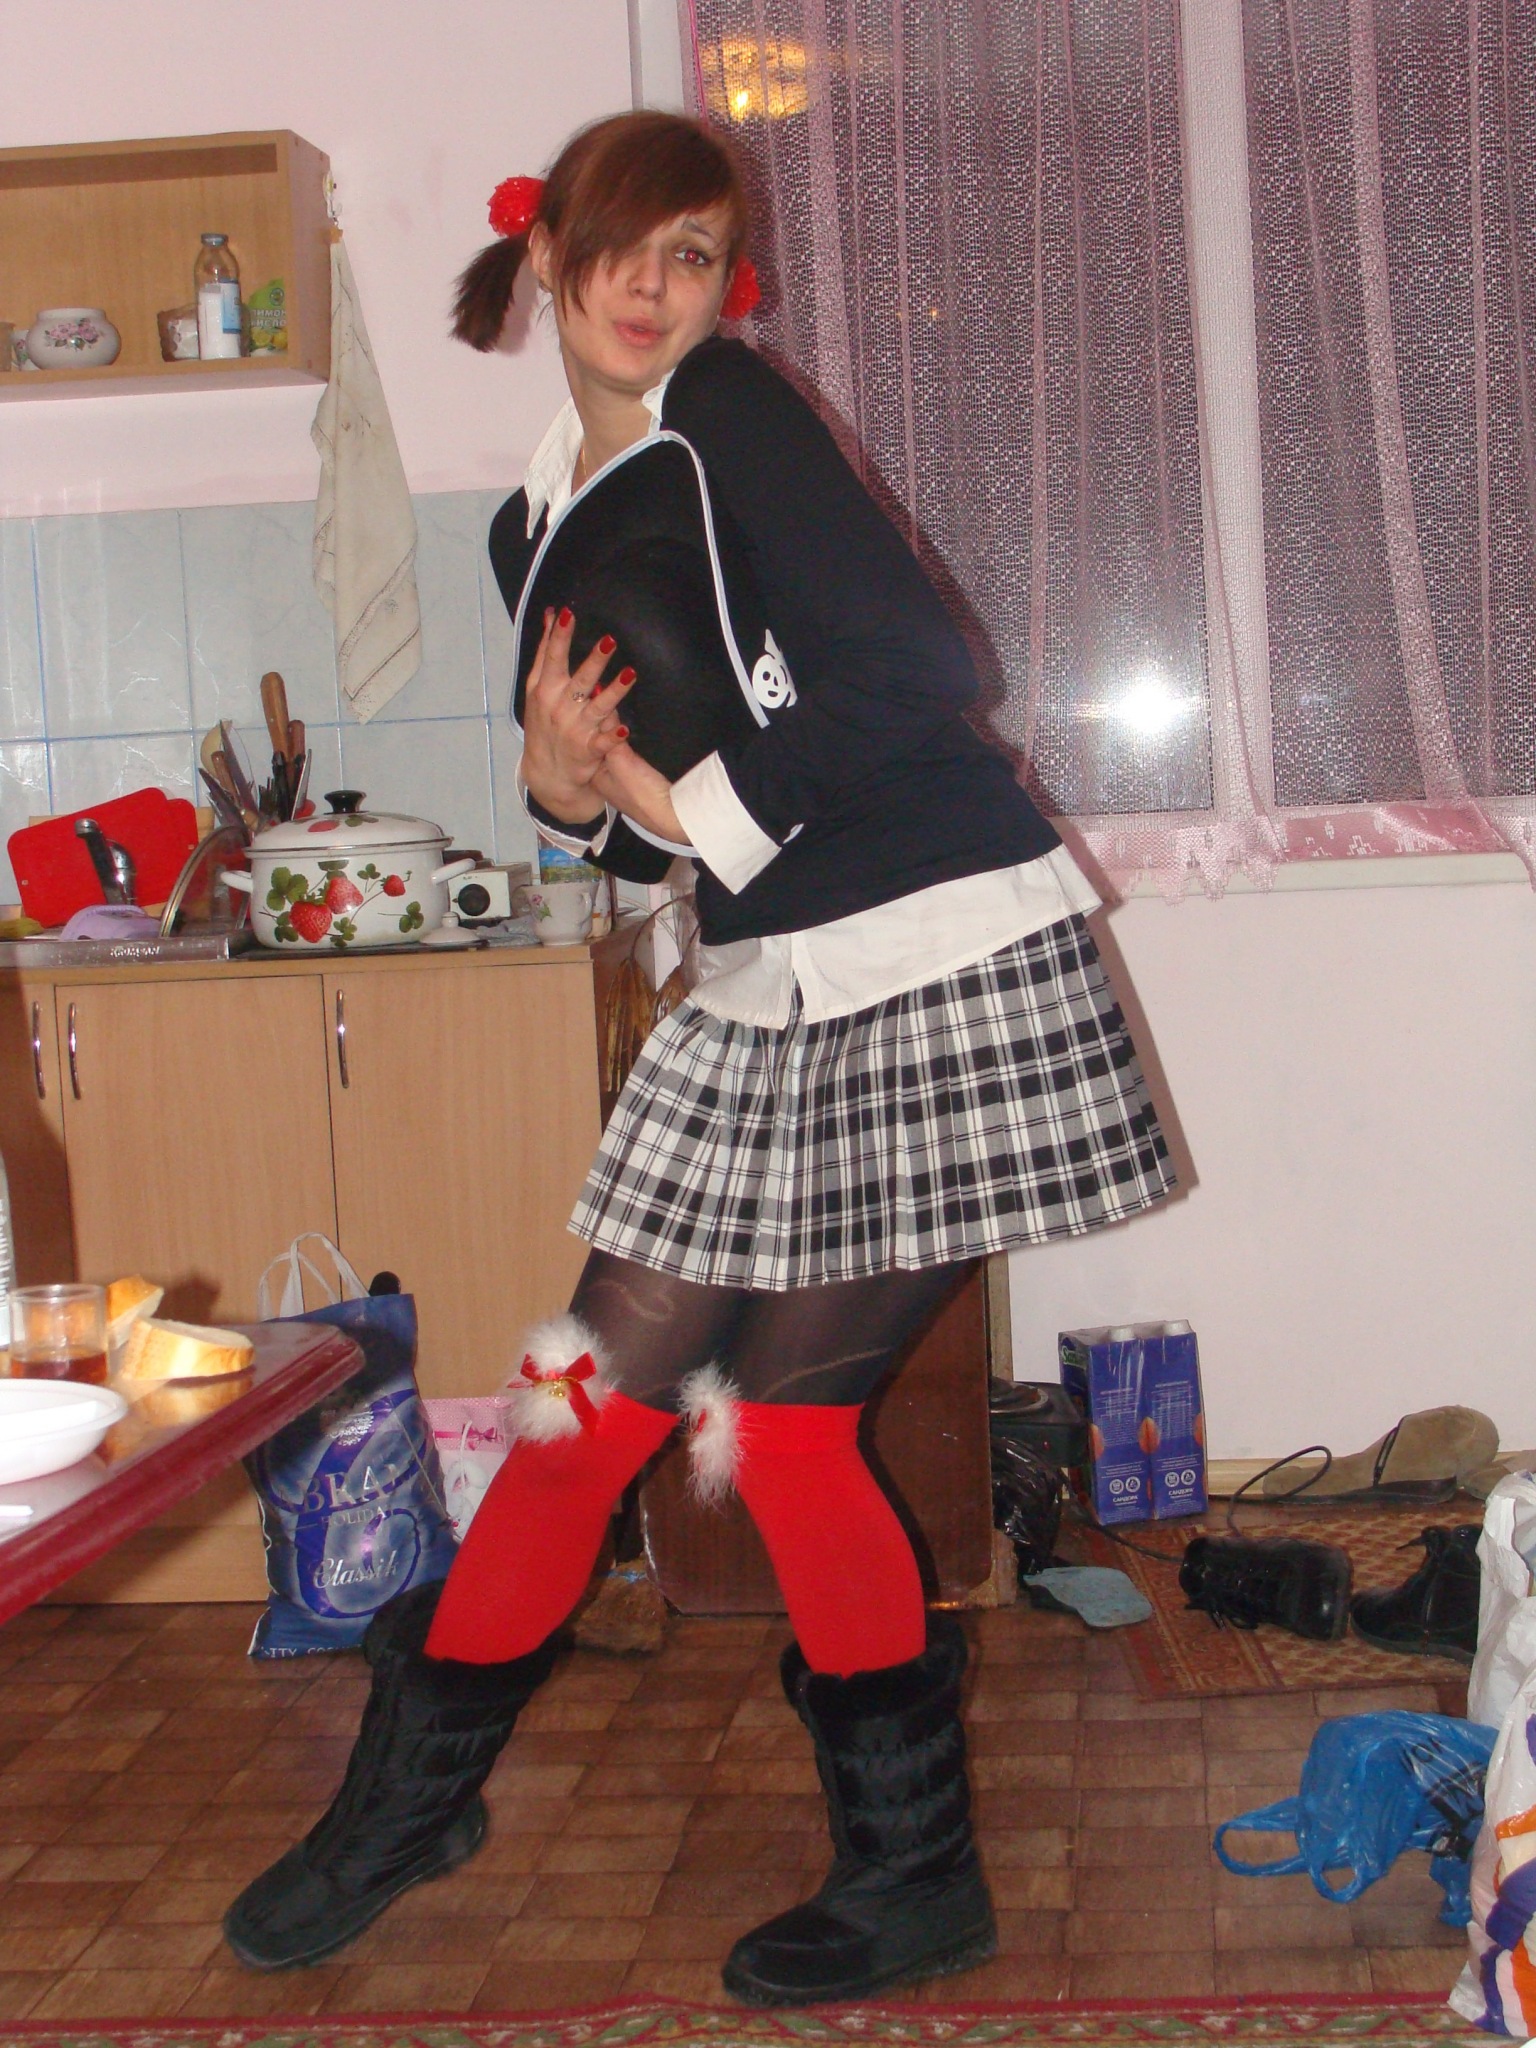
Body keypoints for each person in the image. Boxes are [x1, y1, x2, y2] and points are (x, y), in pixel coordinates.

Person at [224, 110, 1177, 2003]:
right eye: (627, 249)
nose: (661, 288)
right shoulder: (528, 524)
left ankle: (916, 1875)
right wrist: (562, 788)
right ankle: (411, 1803)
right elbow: (620, 821)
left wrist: (691, 806)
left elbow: (918, 666)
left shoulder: (726, 413)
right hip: (763, 983)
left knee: (793, 1429)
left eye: (697, 254)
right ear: (547, 257)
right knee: (583, 1407)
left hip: (931, 950)